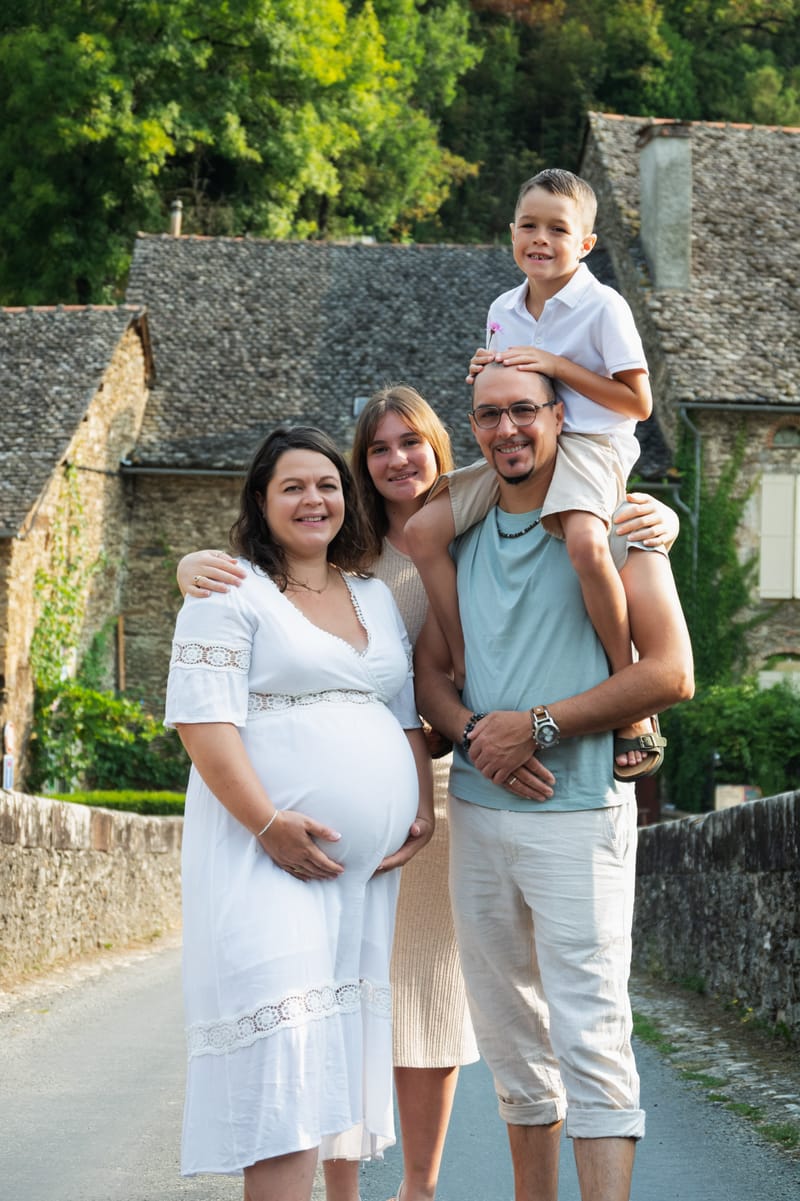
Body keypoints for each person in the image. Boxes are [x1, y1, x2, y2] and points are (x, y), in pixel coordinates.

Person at [177, 390, 679, 1201]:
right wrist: (187, 563)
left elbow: (663, 658)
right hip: (452, 788)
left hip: (486, 801)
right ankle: (348, 1190)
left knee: (467, 1007)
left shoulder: (538, 523)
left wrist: (533, 727)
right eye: (377, 449)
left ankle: (420, 1186)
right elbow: (416, 677)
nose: (396, 460)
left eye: (412, 441)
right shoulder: (365, 554)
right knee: (351, 1006)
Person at [413, 362, 694, 1201]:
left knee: (591, 1033)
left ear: (560, 416)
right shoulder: (458, 534)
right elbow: (430, 673)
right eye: (489, 415)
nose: (508, 429)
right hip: (479, 812)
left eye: (524, 411)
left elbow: (672, 672)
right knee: (509, 1036)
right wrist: (474, 733)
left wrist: (535, 725)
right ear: (474, 428)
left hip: (578, 818)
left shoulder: (620, 526)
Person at [165, 425, 434, 1201]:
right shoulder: (226, 589)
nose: (313, 499)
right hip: (263, 856)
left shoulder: (375, 595)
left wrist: (418, 809)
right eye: (292, 486)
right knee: (283, 1051)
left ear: (346, 500)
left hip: (364, 875)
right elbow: (202, 722)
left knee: (327, 1055)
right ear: (261, 500)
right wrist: (267, 824)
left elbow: (403, 711)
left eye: (326, 484)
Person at [407, 168, 667, 777]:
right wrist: (486, 368)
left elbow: (639, 404)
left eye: (558, 229)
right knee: (422, 532)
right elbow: (507, 381)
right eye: (529, 225)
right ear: (512, 233)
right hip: (523, 441)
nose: (540, 239)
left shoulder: (604, 306)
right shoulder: (503, 306)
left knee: (584, 542)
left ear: (585, 244)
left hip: (590, 447)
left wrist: (556, 364)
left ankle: (626, 690)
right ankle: (466, 664)